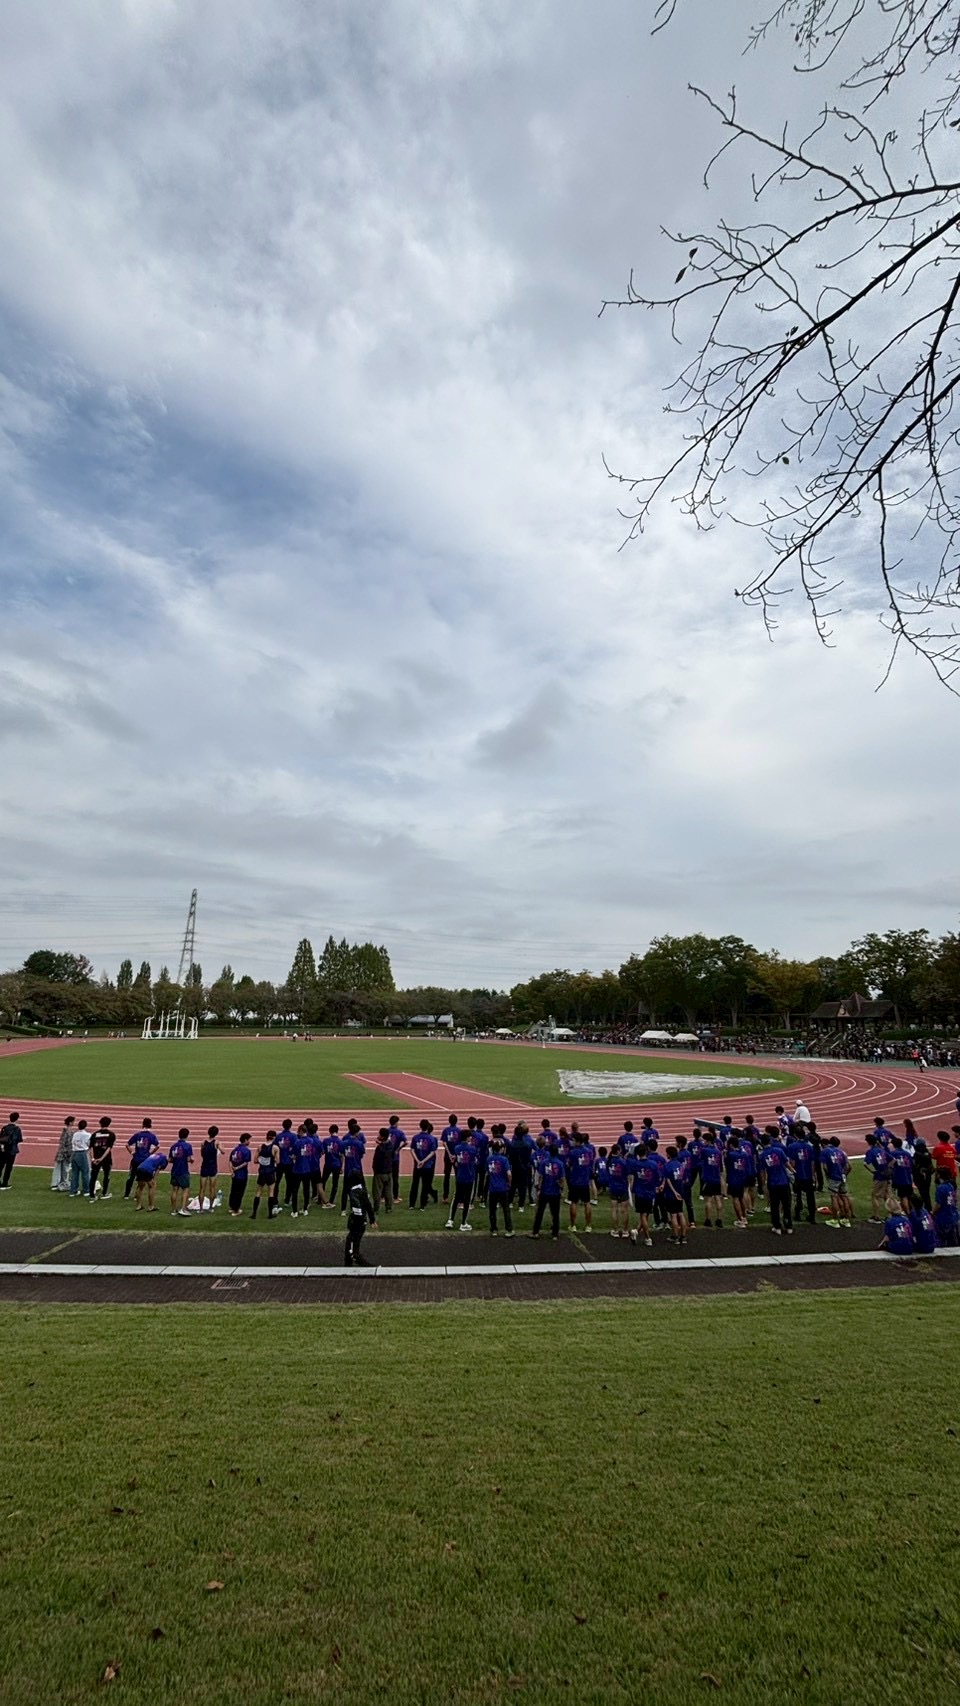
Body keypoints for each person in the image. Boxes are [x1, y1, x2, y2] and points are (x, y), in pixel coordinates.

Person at [758, 1127, 793, 1234]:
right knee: (786, 1205)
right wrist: (793, 1171)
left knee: (774, 1205)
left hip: (772, 1182)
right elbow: (787, 1164)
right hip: (783, 1181)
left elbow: (762, 1172)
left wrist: (763, 1183)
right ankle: (789, 1227)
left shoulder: (762, 1155)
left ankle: (777, 1227)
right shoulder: (779, 1150)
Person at [628, 1145, 660, 1248]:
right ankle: (647, 1237)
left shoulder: (636, 1165)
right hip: (650, 1193)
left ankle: (638, 1233)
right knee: (645, 1215)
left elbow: (632, 1179)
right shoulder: (653, 1164)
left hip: (640, 1193)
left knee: (643, 1216)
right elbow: (657, 1178)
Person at [531, 1146, 565, 1241]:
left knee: (540, 1212)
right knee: (555, 1214)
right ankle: (555, 1234)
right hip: (555, 1192)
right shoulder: (560, 1164)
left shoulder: (544, 1163)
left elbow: (541, 1177)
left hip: (545, 1191)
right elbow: (562, 1179)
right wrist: (561, 1190)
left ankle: (536, 1232)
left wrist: (539, 1189)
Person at [344, 1174, 378, 1266]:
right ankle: (348, 1264)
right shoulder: (362, 1188)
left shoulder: (353, 1192)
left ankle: (366, 1266)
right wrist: (372, 1219)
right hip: (362, 1222)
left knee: (352, 1247)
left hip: (357, 1223)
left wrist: (357, 1221)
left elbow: (357, 1207)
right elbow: (368, 1205)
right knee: (350, 1242)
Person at [446, 1132, 478, 1230]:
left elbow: (456, 1161)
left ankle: (450, 1220)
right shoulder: (472, 1149)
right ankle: (463, 1223)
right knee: (467, 1200)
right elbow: (475, 1160)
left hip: (460, 1176)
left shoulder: (457, 1148)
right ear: (467, 1138)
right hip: (469, 1176)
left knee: (456, 1198)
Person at [821, 1137, 853, 1228]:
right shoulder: (841, 1152)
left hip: (833, 1177)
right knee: (844, 1197)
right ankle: (846, 1220)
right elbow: (846, 1166)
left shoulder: (825, 1151)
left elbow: (825, 1167)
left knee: (834, 1198)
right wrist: (844, 1175)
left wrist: (828, 1175)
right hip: (842, 1176)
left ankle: (835, 1220)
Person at [787, 1128, 817, 1226]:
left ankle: (797, 1214)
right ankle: (812, 1216)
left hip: (798, 1175)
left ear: (795, 1135)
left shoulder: (792, 1146)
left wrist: (792, 1170)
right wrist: (813, 1174)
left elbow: (792, 1162)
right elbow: (812, 1162)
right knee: (810, 1196)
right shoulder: (809, 1147)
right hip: (808, 1174)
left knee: (797, 1195)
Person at [566, 1133, 595, 1232]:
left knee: (573, 1203)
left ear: (577, 1141)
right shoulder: (589, 1151)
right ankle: (588, 1226)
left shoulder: (573, 1152)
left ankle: (573, 1225)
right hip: (585, 1181)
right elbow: (591, 1163)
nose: (571, 1142)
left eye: (573, 1140)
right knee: (587, 1202)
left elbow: (569, 1164)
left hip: (575, 1181)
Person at [864, 1130, 895, 1223]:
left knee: (875, 1195)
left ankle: (876, 1216)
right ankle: (890, 1215)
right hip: (887, 1175)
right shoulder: (882, 1150)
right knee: (887, 1195)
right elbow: (893, 1160)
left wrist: (873, 1171)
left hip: (879, 1176)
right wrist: (888, 1168)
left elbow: (866, 1163)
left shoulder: (871, 1151)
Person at [123, 1118, 158, 1198]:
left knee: (131, 1176)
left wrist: (131, 1152)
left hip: (136, 1159)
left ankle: (126, 1195)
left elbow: (127, 1144)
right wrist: (150, 1153)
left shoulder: (137, 1135)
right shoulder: (151, 1135)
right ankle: (137, 1195)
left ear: (142, 1124)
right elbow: (158, 1146)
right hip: (145, 1160)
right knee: (142, 1178)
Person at [486, 1138, 514, 1236]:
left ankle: (493, 1229)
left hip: (493, 1187)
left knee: (492, 1210)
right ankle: (509, 1229)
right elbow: (509, 1173)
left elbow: (488, 1173)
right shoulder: (504, 1159)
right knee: (506, 1209)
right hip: (502, 1187)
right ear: (501, 1149)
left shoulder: (489, 1159)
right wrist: (509, 1183)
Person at [409, 1120, 439, 1210]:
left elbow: (412, 1150)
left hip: (417, 1165)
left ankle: (412, 1204)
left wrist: (418, 1160)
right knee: (425, 1185)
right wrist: (423, 1161)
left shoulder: (415, 1137)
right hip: (427, 1165)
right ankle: (422, 1205)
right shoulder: (432, 1139)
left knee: (415, 1184)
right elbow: (432, 1152)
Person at [724, 1134, 752, 1229]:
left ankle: (740, 1220)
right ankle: (744, 1217)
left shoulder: (731, 1155)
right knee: (741, 1197)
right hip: (742, 1179)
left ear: (731, 1144)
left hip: (733, 1179)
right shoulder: (744, 1154)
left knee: (735, 1198)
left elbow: (727, 1165)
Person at [662, 1145, 688, 1244]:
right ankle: (683, 1236)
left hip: (671, 1194)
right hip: (680, 1191)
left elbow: (667, 1180)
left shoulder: (667, 1166)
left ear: (669, 1154)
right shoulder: (681, 1165)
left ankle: (675, 1236)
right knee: (680, 1213)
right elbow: (684, 1180)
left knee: (673, 1215)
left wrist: (674, 1192)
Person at [252, 1131, 281, 1219]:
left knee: (258, 1192)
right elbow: (278, 1161)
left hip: (262, 1172)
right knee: (271, 1192)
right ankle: (270, 1214)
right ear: (274, 1138)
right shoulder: (275, 1148)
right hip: (270, 1172)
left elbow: (255, 1160)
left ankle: (254, 1214)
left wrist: (263, 1161)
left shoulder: (260, 1147)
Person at [290, 1125, 316, 1218]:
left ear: (301, 1131)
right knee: (306, 1189)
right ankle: (305, 1209)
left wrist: (293, 1157)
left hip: (298, 1169)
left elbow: (293, 1155)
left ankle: (295, 1211)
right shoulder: (311, 1141)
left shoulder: (298, 1142)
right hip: (308, 1168)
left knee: (295, 1190)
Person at [699, 1133, 724, 1229]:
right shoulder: (718, 1151)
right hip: (716, 1178)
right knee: (718, 1199)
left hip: (707, 1178)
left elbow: (700, 1158)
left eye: (704, 1140)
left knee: (708, 1200)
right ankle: (719, 1220)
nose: (702, 1142)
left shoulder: (704, 1150)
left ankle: (708, 1219)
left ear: (708, 1141)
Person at [507, 1124, 534, 1212]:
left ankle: (510, 1202)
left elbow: (510, 1157)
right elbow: (528, 1157)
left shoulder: (512, 1145)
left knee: (513, 1185)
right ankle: (521, 1205)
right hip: (524, 1168)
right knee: (523, 1186)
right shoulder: (527, 1145)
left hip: (515, 1167)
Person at [88, 1116, 116, 1200]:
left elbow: (91, 1147)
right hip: (106, 1159)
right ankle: (104, 1193)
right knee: (106, 1175)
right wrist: (102, 1158)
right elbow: (109, 1148)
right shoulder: (111, 1134)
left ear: (100, 1123)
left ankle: (92, 1195)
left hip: (95, 1158)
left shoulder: (94, 1134)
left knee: (93, 1176)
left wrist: (93, 1158)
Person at [606, 1146, 631, 1238]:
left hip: (613, 1187)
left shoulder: (609, 1161)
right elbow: (628, 1175)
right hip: (623, 1187)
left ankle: (615, 1230)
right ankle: (625, 1231)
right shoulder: (623, 1162)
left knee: (614, 1209)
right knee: (624, 1210)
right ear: (618, 1151)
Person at [134, 1147, 168, 1211]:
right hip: (147, 1170)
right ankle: (151, 1206)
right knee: (152, 1186)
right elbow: (158, 1169)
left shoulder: (153, 1156)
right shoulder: (163, 1158)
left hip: (139, 1168)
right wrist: (154, 1180)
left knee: (140, 1186)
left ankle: (138, 1206)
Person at [168, 1128, 193, 1217]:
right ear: (187, 1136)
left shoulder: (173, 1146)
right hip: (183, 1170)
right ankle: (183, 1208)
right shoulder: (188, 1146)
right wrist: (191, 1160)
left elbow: (170, 1160)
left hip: (174, 1170)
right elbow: (188, 1159)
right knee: (185, 1189)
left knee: (174, 1190)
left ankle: (174, 1210)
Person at [371, 1129, 395, 1216]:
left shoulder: (379, 1148)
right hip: (389, 1171)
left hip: (380, 1172)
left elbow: (376, 1160)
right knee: (388, 1191)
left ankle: (376, 1208)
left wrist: (374, 1169)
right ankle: (388, 1208)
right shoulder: (391, 1145)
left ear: (382, 1136)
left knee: (377, 1192)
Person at [227, 1136, 253, 1217]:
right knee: (239, 1192)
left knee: (233, 1191)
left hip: (235, 1175)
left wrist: (232, 1171)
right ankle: (236, 1209)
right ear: (245, 1140)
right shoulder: (247, 1151)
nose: (249, 1142)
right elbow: (245, 1163)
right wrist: (237, 1168)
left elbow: (230, 1161)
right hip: (242, 1175)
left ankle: (232, 1206)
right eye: (249, 1140)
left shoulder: (235, 1150)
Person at [934, 1169, 959, 1245]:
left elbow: (938, 1204)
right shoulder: (951, 1186)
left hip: (943, 1218)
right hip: (951, 1217)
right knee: (952, 1241)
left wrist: (933, 1212)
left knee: (941, 1241)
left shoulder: (940, 1188)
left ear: (939, 1175)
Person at [319, 1125, 343, 1208]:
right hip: (337, 1165)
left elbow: (322, 1152)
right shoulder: (340, 1142)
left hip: (328, 1164)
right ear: (337, 1131)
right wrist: (342, 1167)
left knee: (323, 1181)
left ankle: (321, 1199)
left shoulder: (326, 1141)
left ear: (329, 1131)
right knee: (335, 1183)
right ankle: (331, 1200)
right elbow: (342, 1155)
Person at [888, 1138, 914, 1212]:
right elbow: (911, 1165)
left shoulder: (893, 1154)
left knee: (903, 1197)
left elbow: (889, 1165)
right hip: (908, 1178)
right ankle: (912, 1212)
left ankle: (907, 1213)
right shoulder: (907, 1154)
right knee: (909, 1196)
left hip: (899, 1178)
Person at [276, 1120, 298, 1206]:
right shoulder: (293, 1136)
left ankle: (275, 1201)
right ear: (291, 1126)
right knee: (290, 1183)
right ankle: (287, 1200)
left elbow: (274, 1148)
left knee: (277, 1182)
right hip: (289, 1162)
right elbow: (296, 1148)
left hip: (280, 1162)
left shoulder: (278, 1136)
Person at [199, 1127, 221, 1212]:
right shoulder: (216, 1142)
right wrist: (218, 1148)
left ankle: (201, 1209)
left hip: (204, 1166)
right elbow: (223, 1151)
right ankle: (211, 1207)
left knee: (202, 1189)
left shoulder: (203, 1142)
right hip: (213, 1167)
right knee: (212, 1188)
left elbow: (202, 1154)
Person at [69, 1119, 92, 1198]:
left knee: (75, 1173)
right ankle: (86, 1190)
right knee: (85, 1172)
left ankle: (73, 1191)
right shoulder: (87, 1135)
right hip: (82, 1153)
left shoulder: (75, 1134)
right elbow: (89, 1144)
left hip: (74, 1153)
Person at [440, 1114, 461, 1204]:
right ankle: (459, 1196)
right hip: (456, 1157)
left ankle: (445, 1196)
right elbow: (460, 1145)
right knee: (458, 1176)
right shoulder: (459, 1131)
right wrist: (455, 1155)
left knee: (447, 1176)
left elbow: (444, 1143)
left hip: (448, 1157)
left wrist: (449, 1154)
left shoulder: (446, 1130)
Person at [0, 1111, 23, 1190]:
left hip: (3, 1150)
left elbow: (1, 1139)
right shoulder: (17, 1129)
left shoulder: (4, 1128)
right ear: (17, 1119)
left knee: (1, 1166)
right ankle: (5, 1183)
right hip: (12, 1150)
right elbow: (19, 1139)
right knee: (9, 1167)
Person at [388, 1115, 407, 1204]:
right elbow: (406, 1142)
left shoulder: (387, 1131)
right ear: (396, 1123)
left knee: (386, 1176)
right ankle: (395, 1197)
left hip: (387, 1157)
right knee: (395, 1178)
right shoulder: (399, 1132)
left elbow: (378, 1140)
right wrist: (398, 1149)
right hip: (395, 1157)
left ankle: (383, 1196)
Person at [52, 1116, 74, 1192]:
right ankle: (61, 1183)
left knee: (60, 1168)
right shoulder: (68, 1132)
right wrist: (67, 1153)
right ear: (70, 1122)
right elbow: (66, 1143)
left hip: (62, 1152)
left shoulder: (66, 1131)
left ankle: (58, 1183)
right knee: (64, 1169)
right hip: (64, 1153)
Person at [912, 1139, 933, 1211]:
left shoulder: (917, 1154)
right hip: (927, 1175)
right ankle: (928, 1207)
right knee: (926, 1192)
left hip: (920, 1176)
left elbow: (914, 1165)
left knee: (923, 1193)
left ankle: (927, 1209)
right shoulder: (927, 1153)